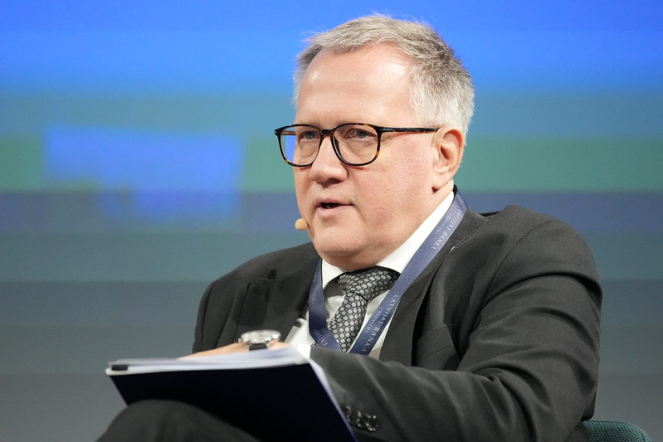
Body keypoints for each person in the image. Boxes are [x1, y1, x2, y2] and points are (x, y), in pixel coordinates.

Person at [98, 14, 601, 442]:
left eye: (358, 134)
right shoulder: (242, 291)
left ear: (443, 155)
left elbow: (516, 417)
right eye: (307, 136)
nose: (321, 167)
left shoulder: (524, 255)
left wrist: (298, 365)